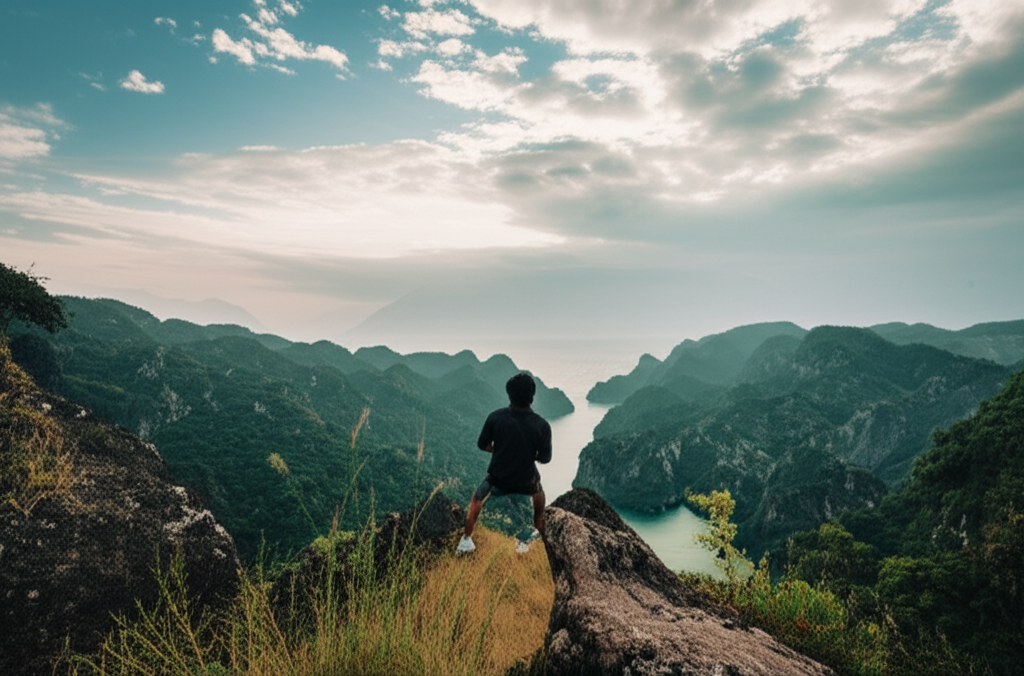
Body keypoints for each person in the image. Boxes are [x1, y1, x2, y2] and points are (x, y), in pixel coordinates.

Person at [457, 372, 552, 553]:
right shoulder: (542, 425)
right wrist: (529, 454)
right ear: (532, 396)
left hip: (498, 479)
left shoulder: (496, 417)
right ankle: (539, 528)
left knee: (477, 497)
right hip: (526, 482)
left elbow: (482, 444)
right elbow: (545, 458)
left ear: (509, 395)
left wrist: (499, 449)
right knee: (539, 494)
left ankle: (466, 539)